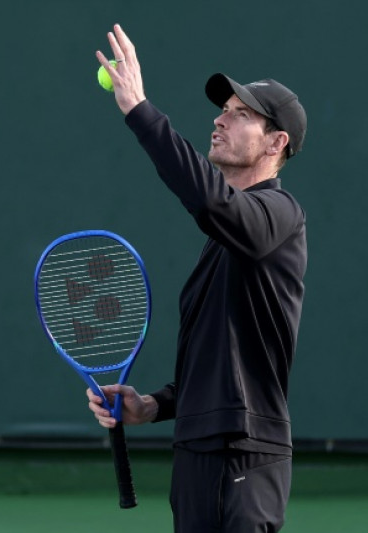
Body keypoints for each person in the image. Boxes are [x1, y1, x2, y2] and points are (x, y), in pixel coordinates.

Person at [88, 25, 308, 532]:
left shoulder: (280, 214)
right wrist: (153, 405)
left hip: (245, 451)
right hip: (196, 450)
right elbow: (218, 360)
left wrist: (139, 109)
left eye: (241, 114)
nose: (220, 118)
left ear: (276, 142)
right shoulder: (223, 239)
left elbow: (211, 202)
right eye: (223, 109)